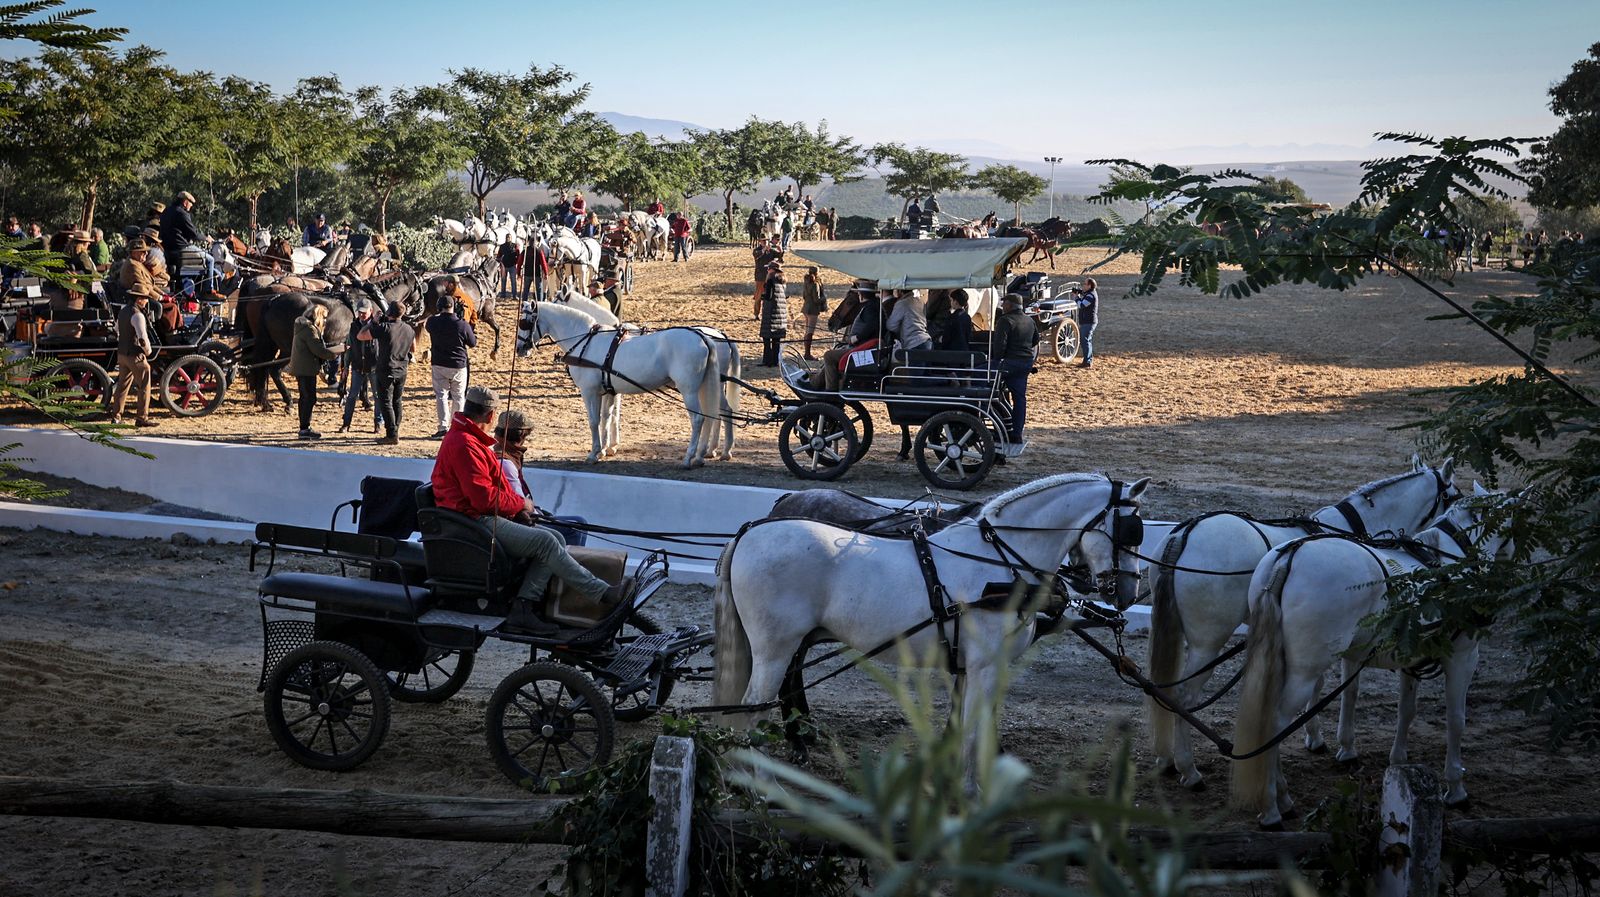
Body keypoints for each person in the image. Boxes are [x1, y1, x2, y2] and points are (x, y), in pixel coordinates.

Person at [430, 385, 617, 636]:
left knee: (556, 537)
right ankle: (600, 592)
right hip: (472, 522)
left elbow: (494, 486)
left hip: (476, 517)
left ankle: (525, 604)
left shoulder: (468, 439)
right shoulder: (465, 444)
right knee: (545, 542)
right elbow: (483, 499)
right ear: (490, 416)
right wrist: (521, 504)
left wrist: (516, 510)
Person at [358, 299, 416, 445]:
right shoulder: (409, 329)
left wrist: (373, 322)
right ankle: (395, 429)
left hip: (386, 368)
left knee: (385, 401)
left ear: (389, 313)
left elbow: (361, 335)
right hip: (402, 369)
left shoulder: (384, 328)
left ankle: (391, 434)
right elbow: (413, 348)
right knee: (397, 400)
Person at [987, 293, 1039, 444]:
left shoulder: (1005, 320)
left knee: (980, 375)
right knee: (1020, 399)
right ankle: (1017, 434)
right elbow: (1035, 340)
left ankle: (998, 423)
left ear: (1010, 305)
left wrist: (996, 361)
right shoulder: (1030, 320)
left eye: (1004, 303)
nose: (1002, 306)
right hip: (1025, 363)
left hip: (1009, 363)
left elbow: (999, 346)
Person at [288, 303, 344, 439]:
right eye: (324, 318)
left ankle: (304, 427)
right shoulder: (310, 330)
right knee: (309, 398)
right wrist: (336, 352)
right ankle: (304, 428)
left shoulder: (303, 327)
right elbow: (319, 350)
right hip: (306, 369)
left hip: (302, 368)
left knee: (304, 398)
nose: (325, 321)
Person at [425, 293, 477, 438]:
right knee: (459, 396)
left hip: (439, 363)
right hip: (458, 364)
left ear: (439, 307)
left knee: (441, 396)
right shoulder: (462, 324)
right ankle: (457, 426)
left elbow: (429, 325)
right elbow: (472, 343)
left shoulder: (432, 322)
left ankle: (443, 427)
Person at [109, 284, 159, 427]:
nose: (147, 301)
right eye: (145, 298)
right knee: (144, 385)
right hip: (135, 355)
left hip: (122, 354)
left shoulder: (123, 311)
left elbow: (116, 330)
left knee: (122, 386)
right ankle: (142, 417)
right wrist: (148, 352)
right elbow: (142, 338)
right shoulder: (138, 315)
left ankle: (116, 416)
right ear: (139, 299)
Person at [819, 286, 882, 391]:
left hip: (863, 349)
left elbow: (871, 326)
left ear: (861, 295)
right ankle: (816, 381)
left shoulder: (870, 308)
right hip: (864, 346)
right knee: (836, 351)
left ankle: (830, 390)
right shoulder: (872, 305)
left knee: (829, 356)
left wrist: (856, 338)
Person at [339, 300, 382, 434]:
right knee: (352, 396)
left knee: (377, 395)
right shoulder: (354, 326)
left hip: (374, 366)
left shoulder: (378, 325)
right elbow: (349, 347)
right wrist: (346, 367)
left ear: (371, 311)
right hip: (358, 366)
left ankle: (378, 423)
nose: (362, 315)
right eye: (360, 312)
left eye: (364, 312)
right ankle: (346, 423)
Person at [759, 263, 789, 366]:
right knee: (776, 340)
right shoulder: (783, 281)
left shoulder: (771, 280)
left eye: (768, 269)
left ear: (773, 270)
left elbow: (768, 296)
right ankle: (775, 360)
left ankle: (767, 360)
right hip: (781, 314)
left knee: (767, 338)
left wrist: (762, 296)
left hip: (771, 312)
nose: (767, 271)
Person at [885, 288, 932, 353]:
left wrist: (901, 328)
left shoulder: (902, 303)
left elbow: (891, 325)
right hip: (927, 341)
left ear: (900, 291)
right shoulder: (920, 301)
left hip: (913, 343)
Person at [158, 191, 202, 259]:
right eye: (190, 203)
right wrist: (206, 238)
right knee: (210, 259)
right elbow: (194, 234)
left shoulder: (166, 211)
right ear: (185, 202)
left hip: (166, 248)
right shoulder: (182, 214)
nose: (191, 205)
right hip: (180, 248)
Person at [800, 266, 828, 359]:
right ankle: (807, 354)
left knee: (807, 331)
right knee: (810, 332)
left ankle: (806, 353)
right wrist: (824, 298)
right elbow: (817, 300)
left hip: (806, 308)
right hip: (813, 310)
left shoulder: (806, 282)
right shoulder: (815, 284)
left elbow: (804, 296)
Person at [1070, 277, 1099, 368]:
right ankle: (1088, 360)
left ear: (1089, 286)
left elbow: (1082, 305)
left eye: (1085, 284)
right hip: (1088, 321)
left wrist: (1076, 297)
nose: (1083, 286)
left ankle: (1087, 362)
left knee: (1085, 341)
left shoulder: (1091, 296)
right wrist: (1079, 293)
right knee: (1087, 341)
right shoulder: (1090, 293)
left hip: (1088, 321)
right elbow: (1084, 296)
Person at [521, 236, 550, 303]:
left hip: (529, 274)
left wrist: (518, 272)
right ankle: (539, 303)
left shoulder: (525, 251)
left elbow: (519, 262)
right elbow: (543, 263)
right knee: (538, 290)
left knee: (526, 290)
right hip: (535, 274)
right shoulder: (538, 251)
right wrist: (546, 273)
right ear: (535, 243)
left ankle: (525, 303)